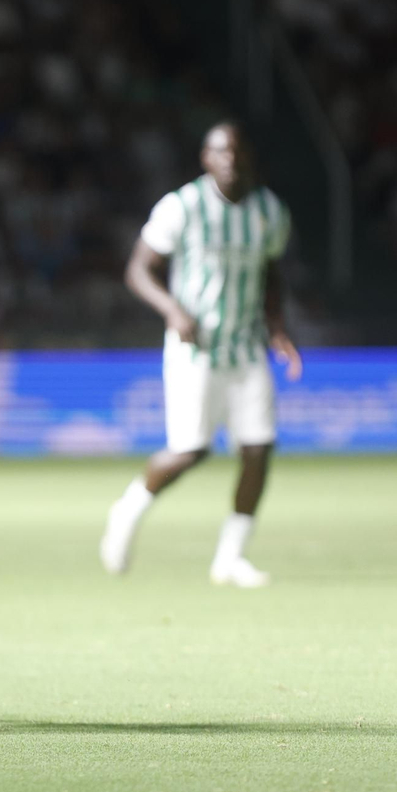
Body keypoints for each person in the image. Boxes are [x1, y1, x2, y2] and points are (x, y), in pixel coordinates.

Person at [100, 122, 302, 587]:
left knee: (259, 448)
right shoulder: (183, 206)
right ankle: (128, 508)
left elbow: (271, 273)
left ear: (248, 156)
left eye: (236, 150)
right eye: (219, 151)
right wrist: (172, 310)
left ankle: (230, 558)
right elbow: (139, 270)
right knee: (190, 451)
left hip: (246, 345)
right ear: (205, 159)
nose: (229, 158)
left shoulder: (270, 210)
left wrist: (278, 329)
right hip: (196, 349)